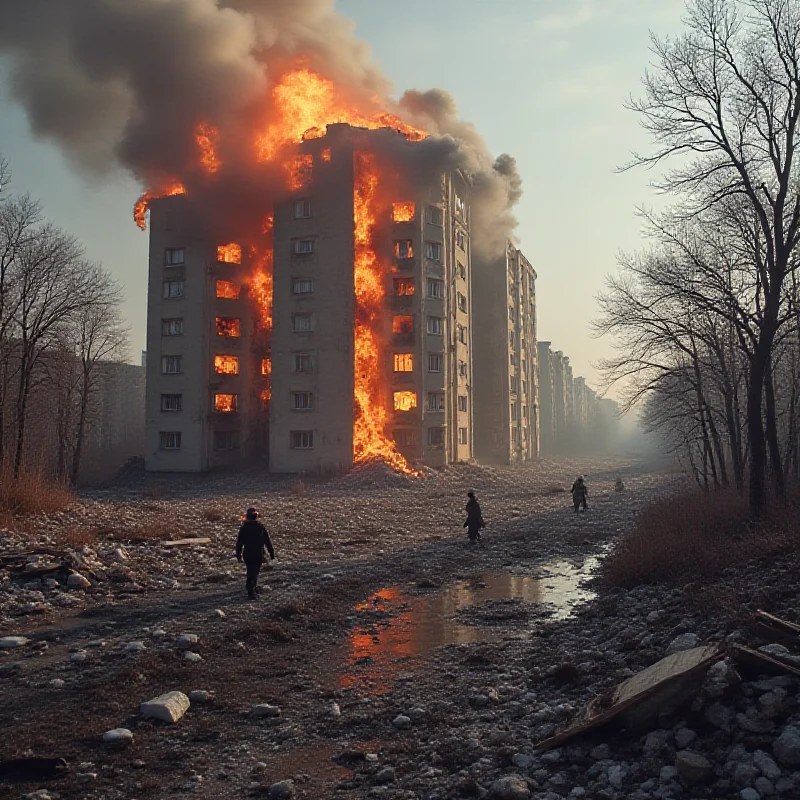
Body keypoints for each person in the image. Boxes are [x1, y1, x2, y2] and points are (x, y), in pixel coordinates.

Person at [236, 507, 275, 599]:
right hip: (258, 553)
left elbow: (239, 543)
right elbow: (267, 541)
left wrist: (238, 555)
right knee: (255, 572)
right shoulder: (260, 527)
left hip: (247, 554)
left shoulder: (243, 528)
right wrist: (271, 553)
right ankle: (251, 590)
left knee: (250, 570)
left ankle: (252, 588)